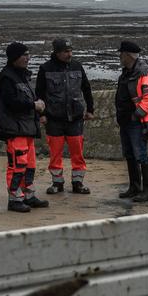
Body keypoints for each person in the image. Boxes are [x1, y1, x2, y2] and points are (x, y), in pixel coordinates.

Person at [0, 42, 49, 212]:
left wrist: (39, 114)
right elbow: (12, 102)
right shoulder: (6, 78)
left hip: (27, 129)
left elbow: (26, 99)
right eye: (24, 55)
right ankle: (15, 199)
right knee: (17, 165)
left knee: (30, 164)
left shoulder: (22, 76)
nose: (28, 58)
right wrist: (34, 105)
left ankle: (28, 195)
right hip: (15, 129)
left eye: (28, 54)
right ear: (14, 58)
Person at [36, 38, 95, 195]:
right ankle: (57, 183)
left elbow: (86, 88)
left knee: (78, 153)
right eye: (66, 51)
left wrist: (90, 109)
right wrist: (41, 114)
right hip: (54, 118)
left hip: (75, 118)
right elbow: (39, 93)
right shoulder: (45, 69)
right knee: (55, 153)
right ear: (57, 52)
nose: (70, 54)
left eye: (70, 51)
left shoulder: (77, 66)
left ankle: (78, 182)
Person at [115, 40, 148, 203]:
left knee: (141, 155)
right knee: (130, 155)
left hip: (137, 121)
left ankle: (147, 191)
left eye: (121, 53)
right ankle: (134, 187)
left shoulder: (143, 71)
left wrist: (137, 114)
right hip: (126, 121)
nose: (119, 56)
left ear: (127, 55)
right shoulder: (128, 71)